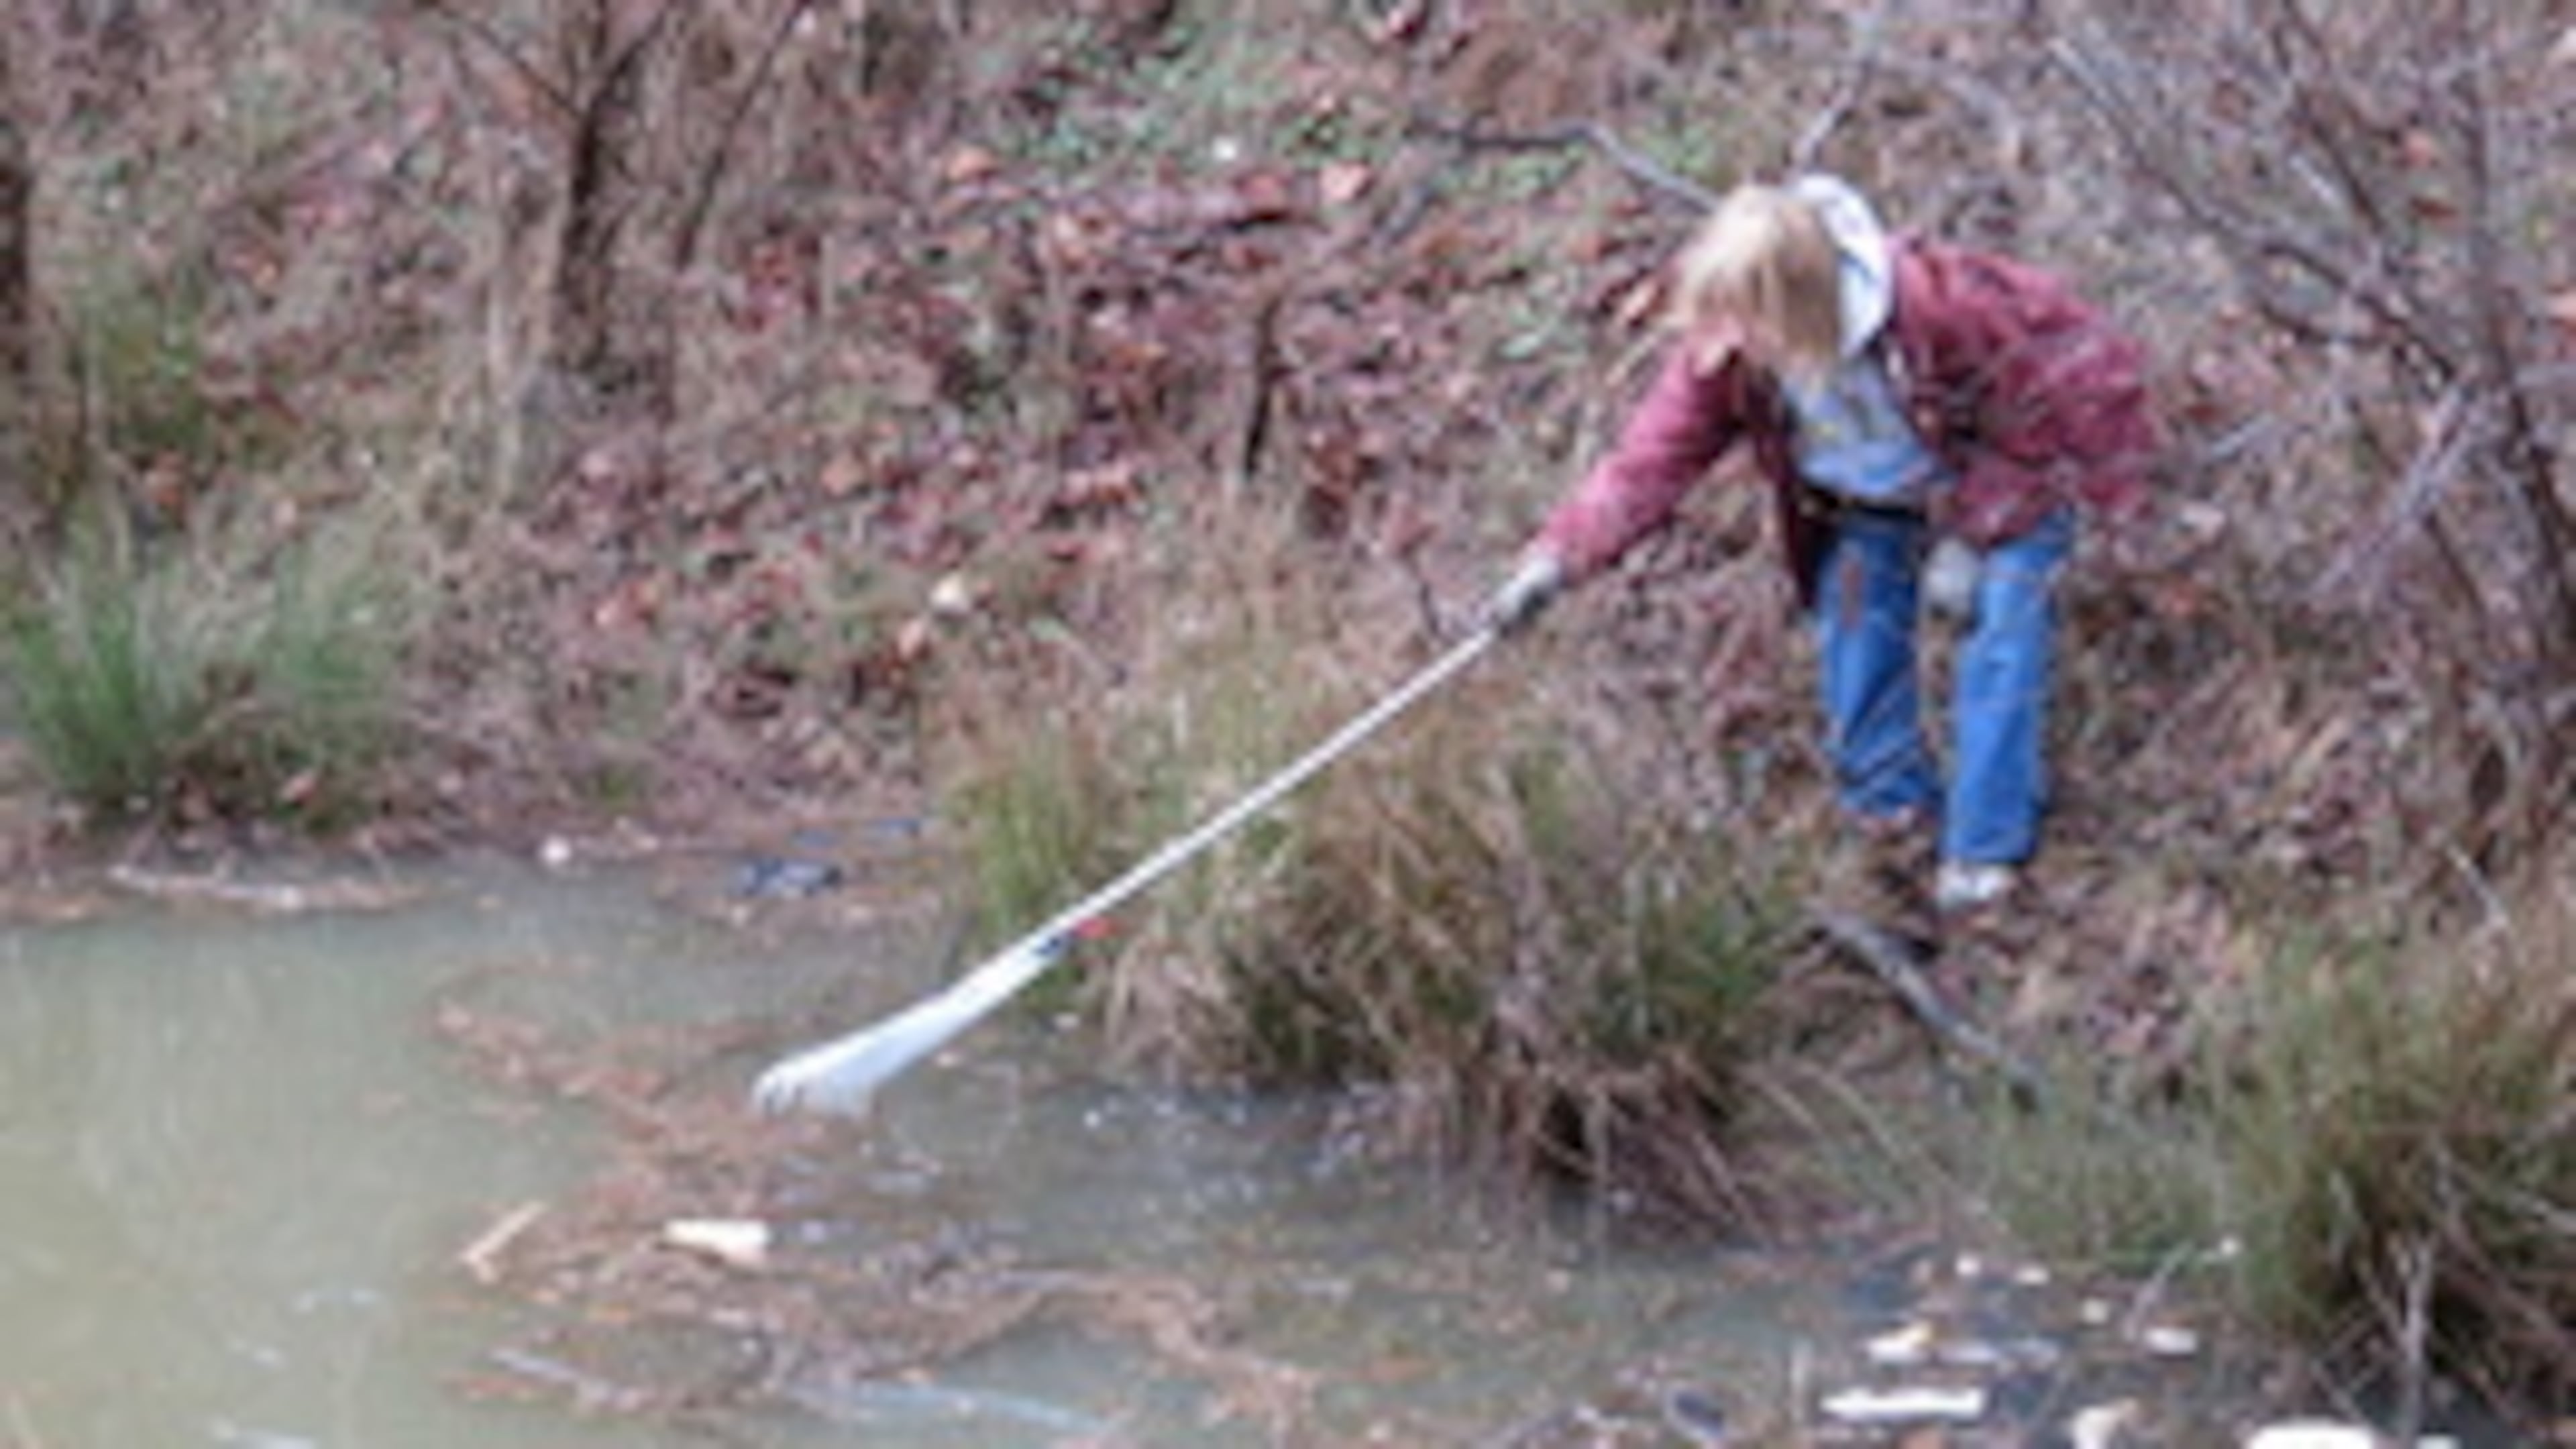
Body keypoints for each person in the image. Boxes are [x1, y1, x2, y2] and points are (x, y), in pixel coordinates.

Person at [1484, 174, 2156, 914]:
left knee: (2003, 628)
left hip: (2011, 476)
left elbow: (2053, 411)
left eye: (1748, 320)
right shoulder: (1733, 353)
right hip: (1873, 496)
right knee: (1854, 620)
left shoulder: (1943, 311)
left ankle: (1984, 849)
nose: (1730, 340)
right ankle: (1893, 816)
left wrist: (1975, 536)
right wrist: (1557, 559)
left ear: (1798, 304)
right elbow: (1652, 458)